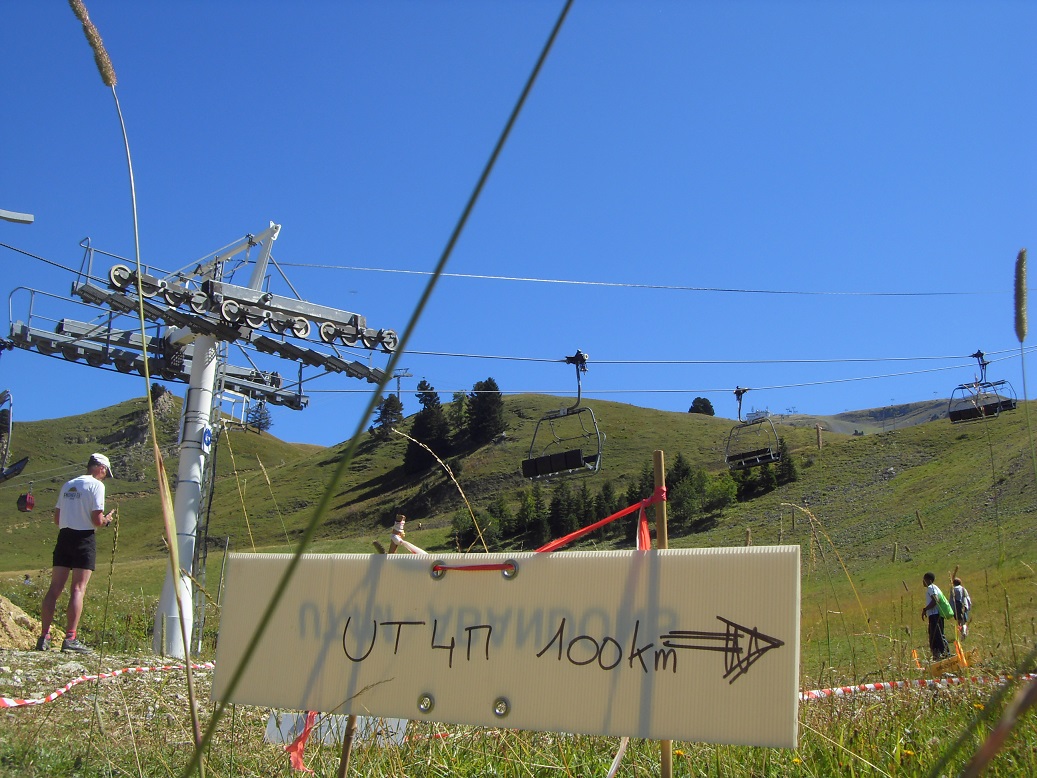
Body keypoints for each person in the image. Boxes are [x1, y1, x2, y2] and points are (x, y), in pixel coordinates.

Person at [35, 453, 116, 653]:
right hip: (84, 538)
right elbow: (97, 520)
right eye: (105, 472)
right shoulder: (97, 486)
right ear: (100, 468)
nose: (104, 477)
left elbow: (56, 518)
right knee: (78, 589)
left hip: (64, 537)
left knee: (55, 588)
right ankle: (70, 637)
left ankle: (44, 635)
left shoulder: (68, 484)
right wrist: (106, 520)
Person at [921, 571, 950, 660]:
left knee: (937, 635)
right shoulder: (934, 587)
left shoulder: (931, 588)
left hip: (935, 615)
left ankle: (944, 654)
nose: (922, 581)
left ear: (928, 580)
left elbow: (935, 600)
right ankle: (938, 654)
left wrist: (925, 609)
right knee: (935, 635)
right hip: (934, 615)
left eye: (924, 579)